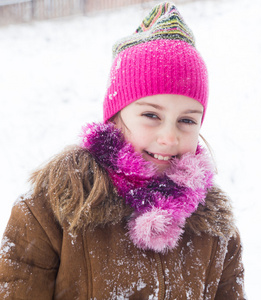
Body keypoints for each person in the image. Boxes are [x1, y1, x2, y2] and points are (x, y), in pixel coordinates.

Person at [0, 2, 245, 299]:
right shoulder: (52, 208)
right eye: (151, 115)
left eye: (187, 120)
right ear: (115, 117)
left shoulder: (215, 228)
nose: (169, 137)